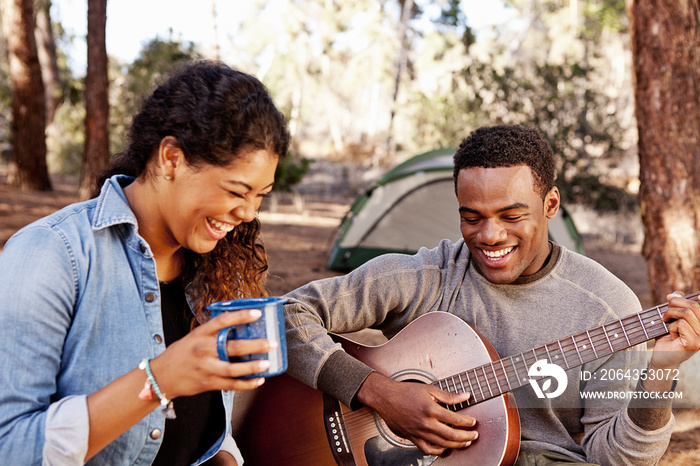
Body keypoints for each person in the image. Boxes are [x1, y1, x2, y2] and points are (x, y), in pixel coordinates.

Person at [283, 124, 700, 465]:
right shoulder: (431, 275)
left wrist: (659, 372)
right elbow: (287, 315)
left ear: (550, 204)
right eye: (472, 217)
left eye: (512, 216)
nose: (489, 236)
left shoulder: (607, 309)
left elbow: (617, 460)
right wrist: (381, 394)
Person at [0, 60, 290, 465]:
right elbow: (10, 447)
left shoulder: (217, 272)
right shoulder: (53, 254)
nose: (247, 213)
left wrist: (224, 455)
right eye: (237, 191)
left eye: (260, 196)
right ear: (171, 157)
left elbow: (198, 431)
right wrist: (160, 379)